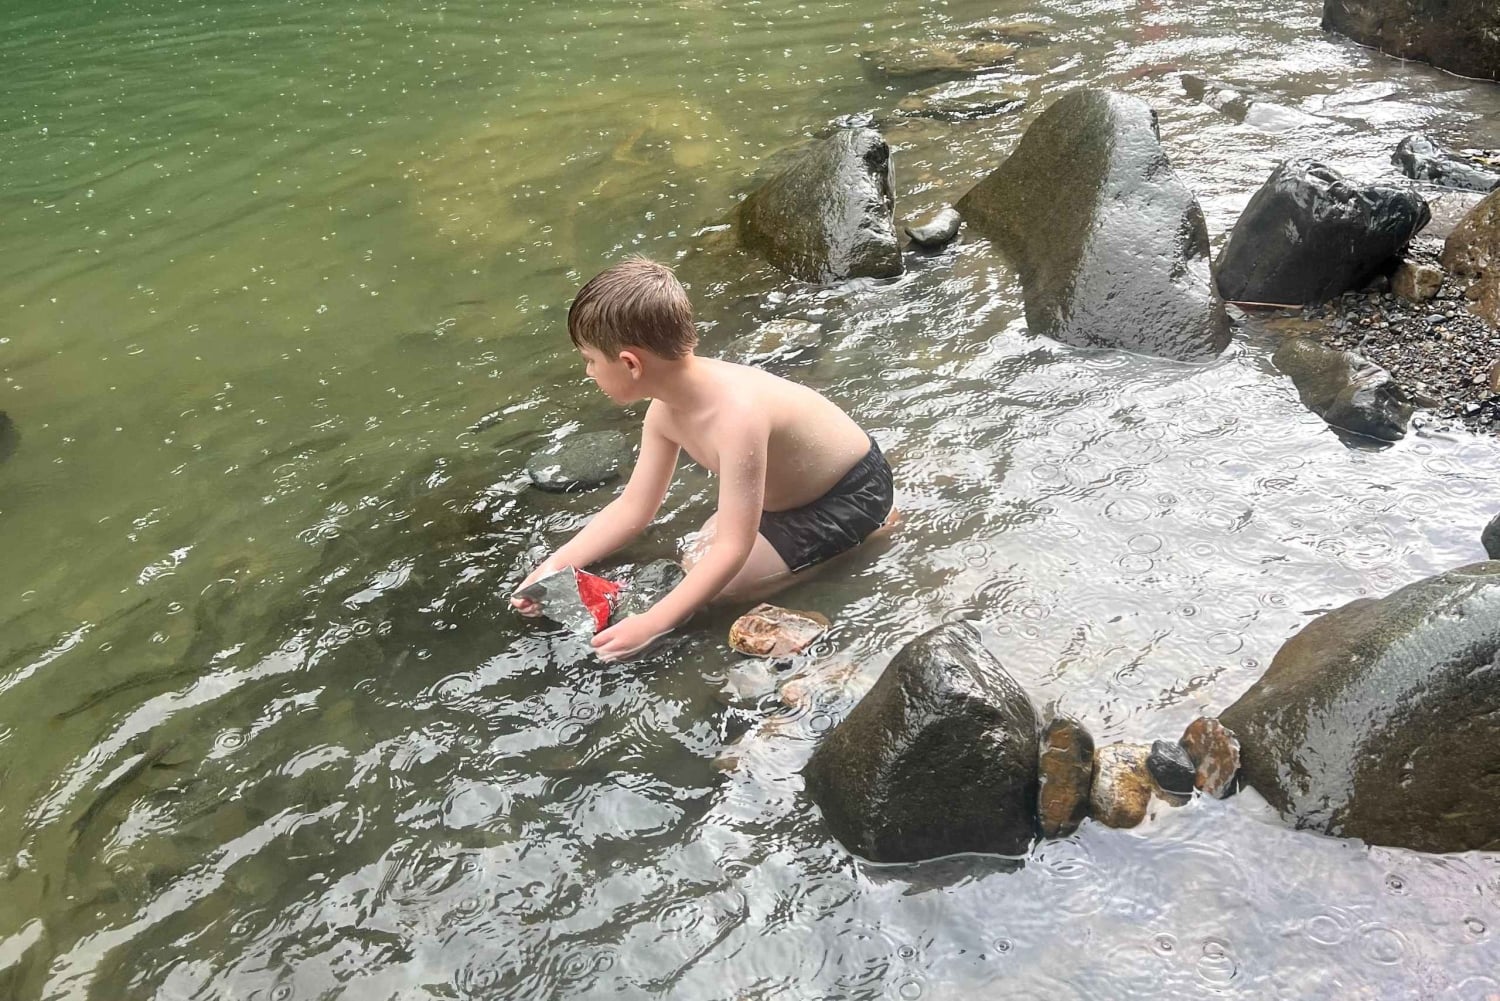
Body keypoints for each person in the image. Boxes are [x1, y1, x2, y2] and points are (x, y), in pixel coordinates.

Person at [511, 257, 894, 661]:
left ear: (630, 363)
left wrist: (652, 624)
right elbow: (633, 508)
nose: (589, 373)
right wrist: (554, 566)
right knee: (699, 554)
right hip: (785, 496)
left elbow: (732, 549)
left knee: (724, 584)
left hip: (850, 495)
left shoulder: (736, 416)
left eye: (590, 360)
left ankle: (874, 532)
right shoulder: (664, 410)